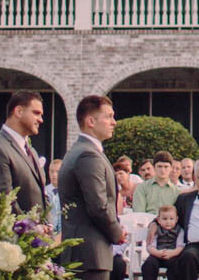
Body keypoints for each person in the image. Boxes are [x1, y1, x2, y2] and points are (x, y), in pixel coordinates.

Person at [61, 95, 128, 280]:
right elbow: (98, 206)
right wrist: (117, 232)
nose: (114, 122)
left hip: (86, 252)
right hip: (89, 253)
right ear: (91, 121)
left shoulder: (83, 151)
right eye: (108, 116)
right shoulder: (87, 155)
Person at [0, 91, 48, 213]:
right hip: (18, 231)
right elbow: (4, 201)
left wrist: (47, 224)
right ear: (19, 111)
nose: (41, 120)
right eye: (36, 113)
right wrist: (31, 227)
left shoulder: (31, 151)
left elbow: (42, 195)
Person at [141, 205, 185, 280]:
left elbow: (181, 246)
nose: (168, 222)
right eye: (164, 219)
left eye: (171, 219)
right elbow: (150, 246)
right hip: (157, 254)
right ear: (158, 220)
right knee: (149, 264)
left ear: (176, 219)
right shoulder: (156, 230)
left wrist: (172, 253)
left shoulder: (180, 231)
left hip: (172, 255)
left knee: (177, 267)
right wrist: (158, 253)